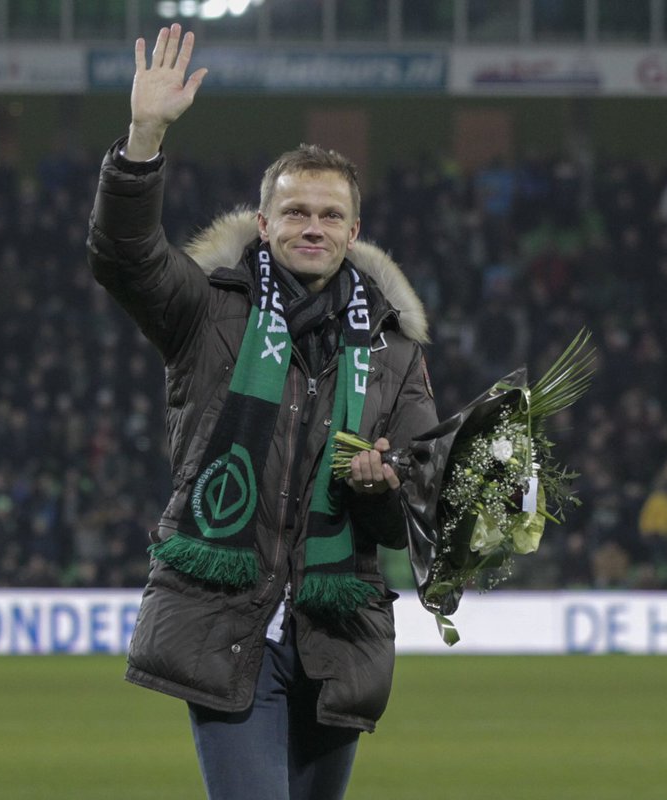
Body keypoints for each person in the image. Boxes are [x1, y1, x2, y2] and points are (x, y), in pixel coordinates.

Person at [86, 24, 438, 800]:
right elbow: (125, 256)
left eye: (330, 215)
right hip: (225, 626)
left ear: (353, 232)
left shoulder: (394, 351)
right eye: (297, 211)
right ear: (265, 221)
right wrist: (144, 138)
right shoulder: (206, 311)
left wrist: (385, 485)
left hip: (336, 636)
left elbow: (417, 504)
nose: (312, 226)